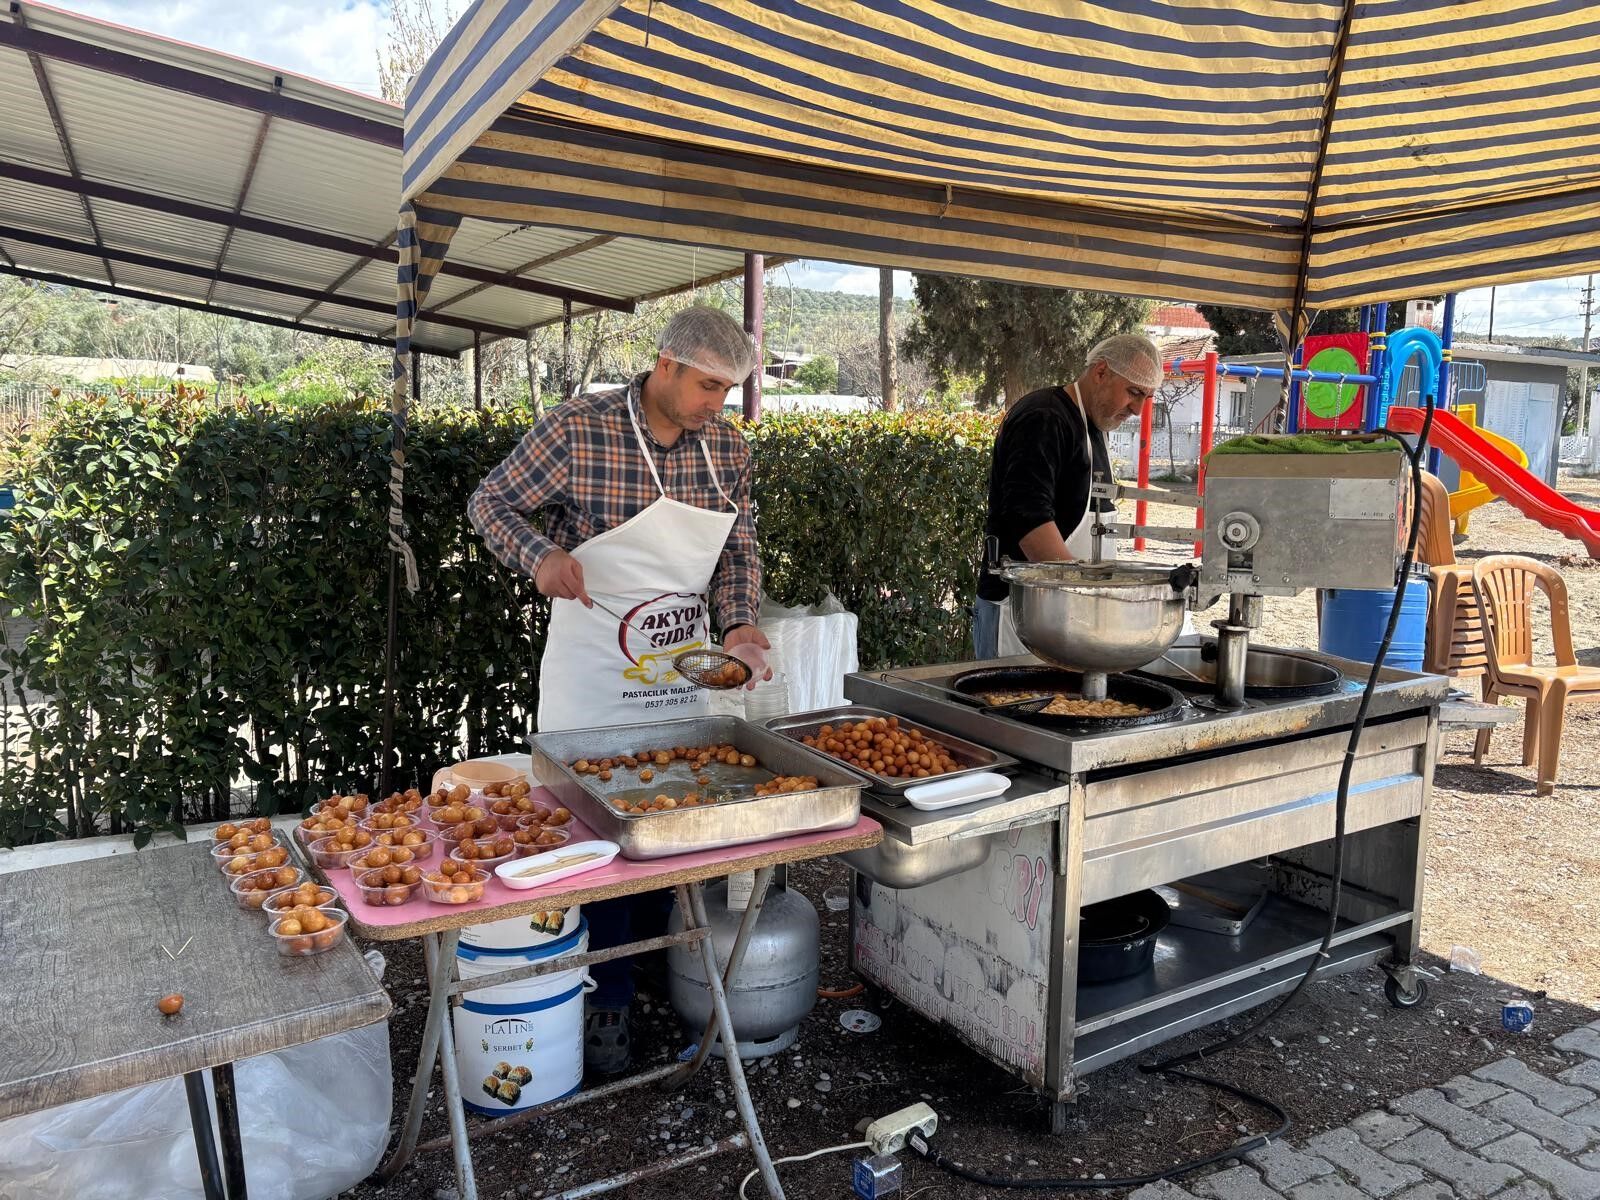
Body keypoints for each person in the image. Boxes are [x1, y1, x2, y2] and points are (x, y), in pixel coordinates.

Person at [468, 305, 773, 1073]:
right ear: (665, 365)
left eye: (729, 391)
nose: (718, 405)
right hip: (596, 668)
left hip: (676, 667)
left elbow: (738, 548)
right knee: (594, 834)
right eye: (709, 386)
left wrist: (739, 628)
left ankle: (656, 970)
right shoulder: (580, 428)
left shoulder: (726, 449)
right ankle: (601, 997)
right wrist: (539, 557)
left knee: (669, 818)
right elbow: (489, 503)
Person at [973, 333, 1163, 659]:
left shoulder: (1093, 427)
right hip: (1020, 614)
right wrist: (1087, 594)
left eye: (1147, 397)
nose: (1138, 409)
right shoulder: (1044, 418)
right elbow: (1028, 522)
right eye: (1133, 392)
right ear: (1100, 372)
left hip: (1064, 613)